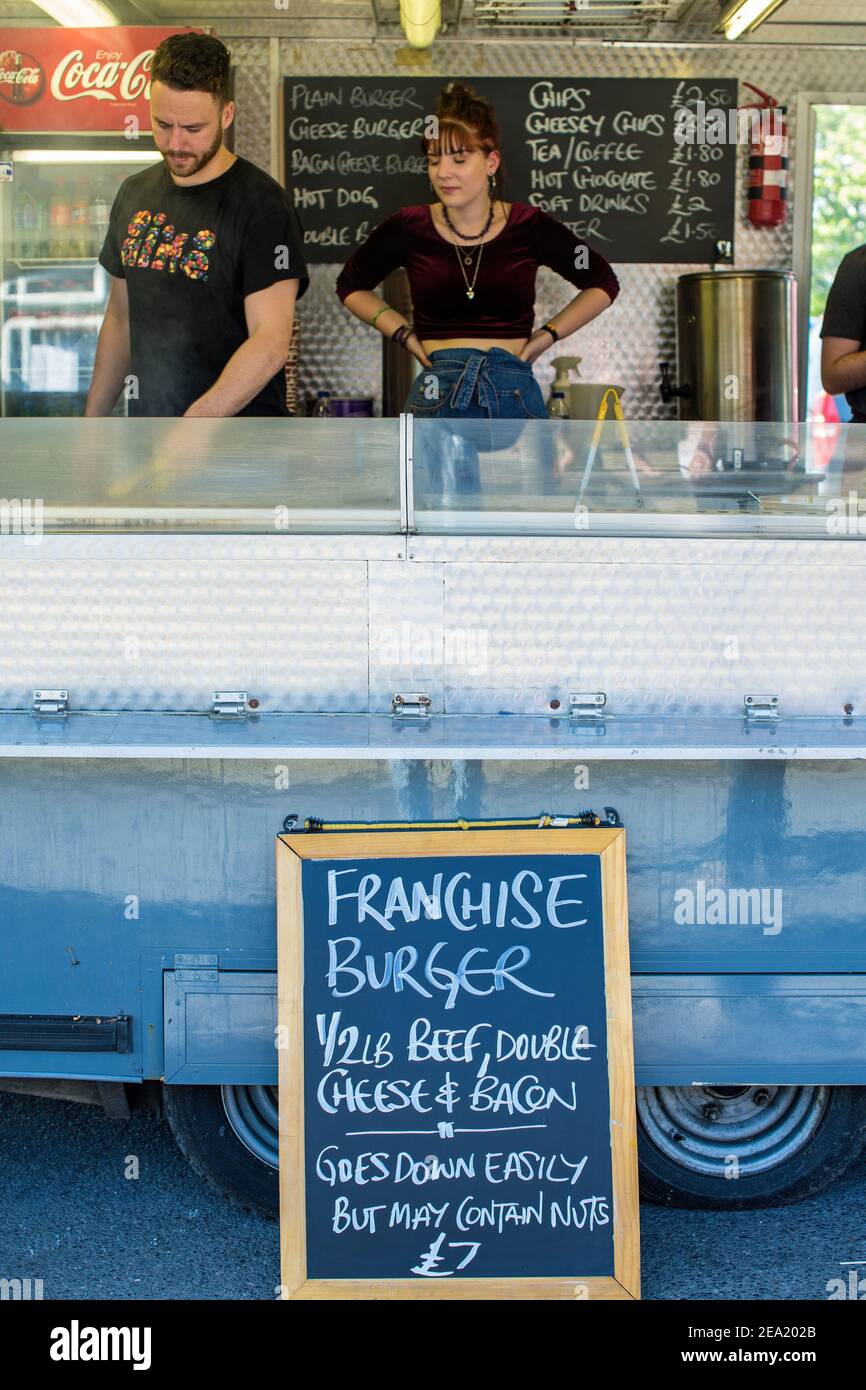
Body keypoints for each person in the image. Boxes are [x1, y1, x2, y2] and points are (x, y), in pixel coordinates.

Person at [335, 81, 619, 496]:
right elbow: (351, 284)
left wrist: (544, 339)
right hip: (438, 385)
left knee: (527, 528)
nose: (443, 173)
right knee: (436, 528)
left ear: (491, 161)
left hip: (513, 387)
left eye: (459, 158)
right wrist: (405, 335)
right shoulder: (408, 226)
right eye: (434, 161)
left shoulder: (529, 226)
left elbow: (602, 282)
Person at [86, 32, 308, 419]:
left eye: (192, 129)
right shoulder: (133, 194)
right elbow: (120, 319)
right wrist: (92, 426)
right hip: (150, 441)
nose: (175, 143)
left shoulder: (264, 206)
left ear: (226, 114)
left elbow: (271, 340)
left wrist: (193, 428)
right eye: (162, 124)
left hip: (242, 452)